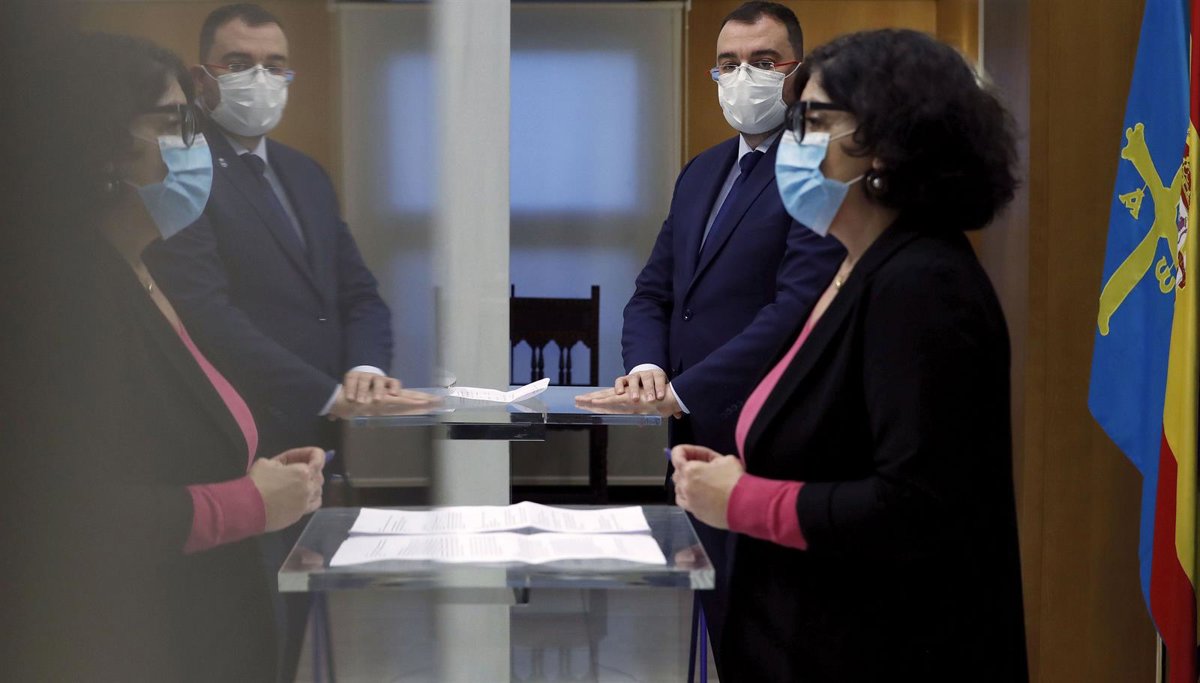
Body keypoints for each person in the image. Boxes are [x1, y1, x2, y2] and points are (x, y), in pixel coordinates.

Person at [672, 28, 1029, 681]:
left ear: (888, 142)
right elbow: (839, 444)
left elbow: (914, 507)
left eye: (813, 120)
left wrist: (743, 498)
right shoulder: (858, 266)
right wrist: (741, 469)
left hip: (884, 650)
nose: (793, 140)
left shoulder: (923, 283)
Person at [2, 31, 324, 681]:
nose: (194, 143)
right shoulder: (65, 298)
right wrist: (247, 503)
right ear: (99, 144)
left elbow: (157, 443)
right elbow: (61, 513)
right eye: (174, 122)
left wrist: (258, 476)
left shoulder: (138, 270)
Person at [577, 0, 843, 656]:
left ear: (797, 71)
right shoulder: (702, 171)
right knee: (716, 620)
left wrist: (685, 389)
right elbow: (654, 291)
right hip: (693, 444)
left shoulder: (816, 169)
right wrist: (648, 368)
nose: (743, 76)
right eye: (729, 63)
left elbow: (795, 312)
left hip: (770, 444)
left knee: (765, 635)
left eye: (763, 61)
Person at [144, 3, 417, 461]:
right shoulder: (182, 169)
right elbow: (204, 312)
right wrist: (326, 395)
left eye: (274, 66)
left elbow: (359, 293)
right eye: (237, 64)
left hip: (327, 432)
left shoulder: (306, 173)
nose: (259, 79)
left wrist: (365, 370)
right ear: (200, 79)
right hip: (239, 437)